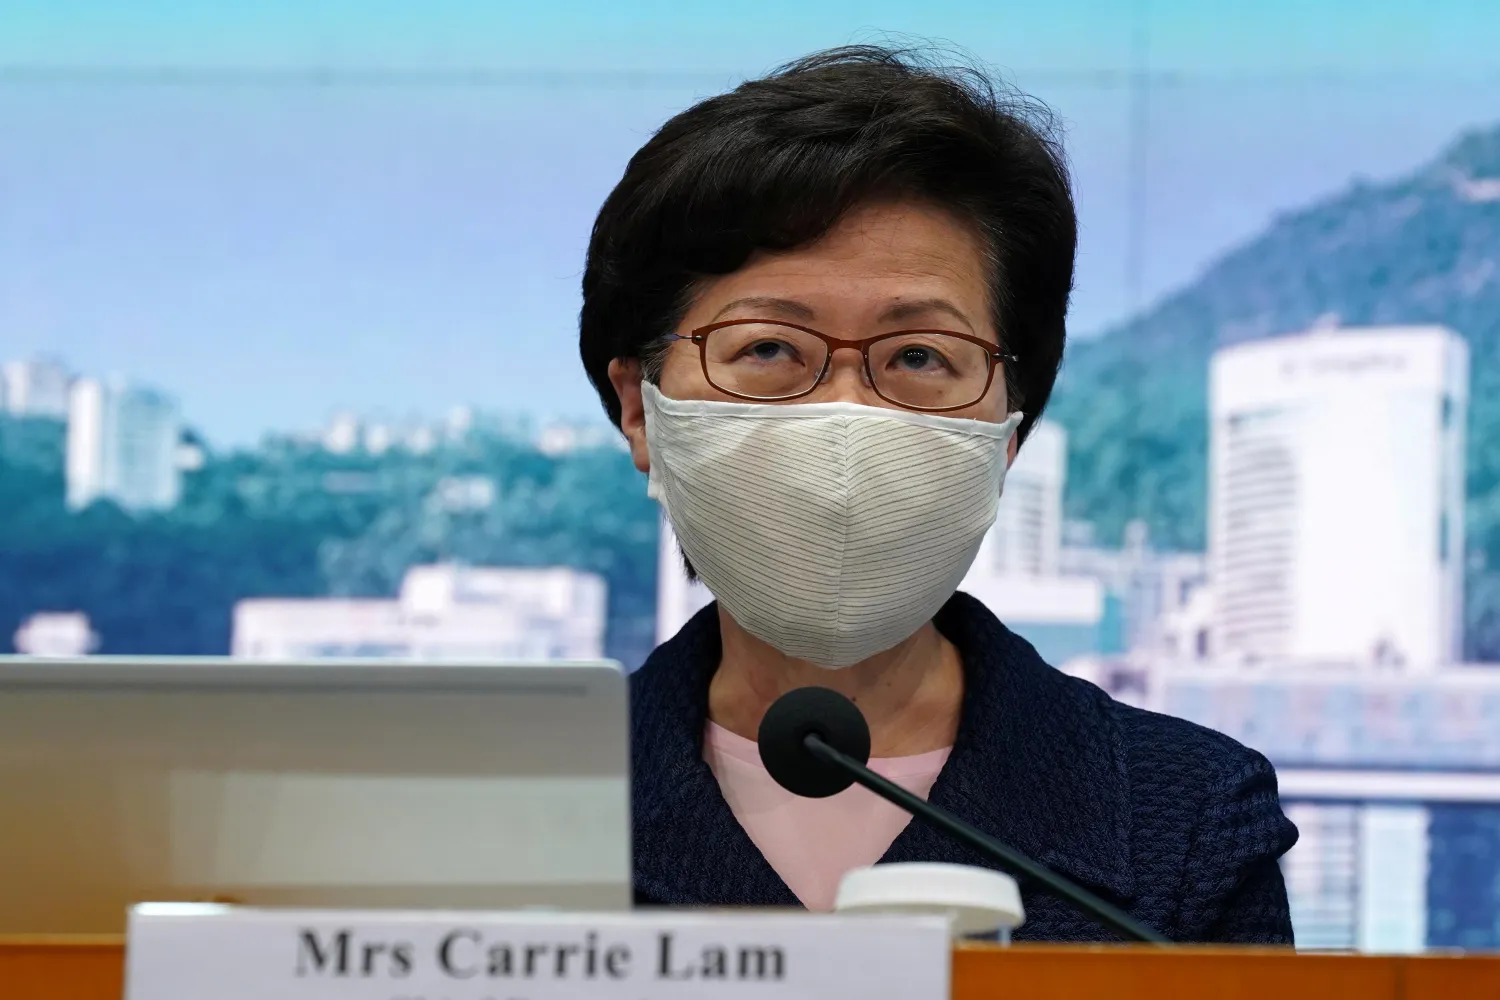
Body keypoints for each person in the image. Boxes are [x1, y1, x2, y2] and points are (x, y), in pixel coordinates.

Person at [578, 45, 1298, 943]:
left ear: (1011, 430)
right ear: (640, 411)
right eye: (768, 349)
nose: (844, 416)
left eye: (918, 356)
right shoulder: (508, 814)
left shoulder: (1184, 818)